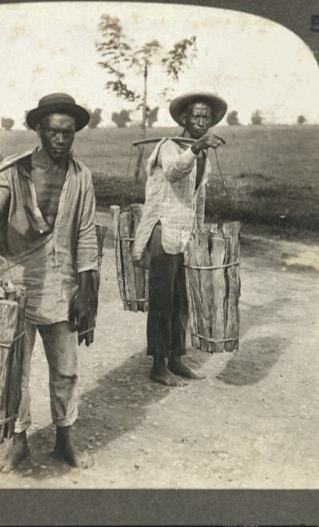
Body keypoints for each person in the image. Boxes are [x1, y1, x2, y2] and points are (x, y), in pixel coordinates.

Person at [0, 93, 98, 471]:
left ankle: (65, 441)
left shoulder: (81, 176)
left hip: (62, 286)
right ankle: (18, 442)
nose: (61, 139)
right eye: (54, 131)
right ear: (39, 129)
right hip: (18, 285)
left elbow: (87, 232)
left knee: (66, 369)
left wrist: (86, 291)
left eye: (68, 133)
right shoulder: (14, 171)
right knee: (15, 369)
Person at [132, 92, 227, 387]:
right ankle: (158, 365)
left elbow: (198, 200)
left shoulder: (203, 160)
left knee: (181, 300)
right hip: (163, 231)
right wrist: (197, 147)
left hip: (185, 236)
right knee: (162, 301)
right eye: (195, 116)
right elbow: (174, 173)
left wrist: (198, 236)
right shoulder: (168, 147)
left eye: (205, 118)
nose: (200, 122)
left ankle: (176, 358)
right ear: (184, 119)